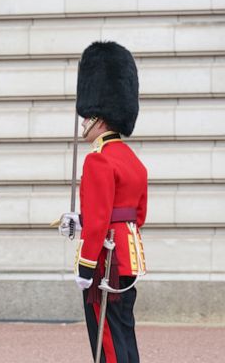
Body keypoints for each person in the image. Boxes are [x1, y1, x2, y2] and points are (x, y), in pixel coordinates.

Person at [59, 41, 147, 362]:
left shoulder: (98, 160)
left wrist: (85, 265)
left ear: (99, 119)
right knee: (124, 331)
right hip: (129, 257)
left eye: (86, 118)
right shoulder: (133, 160)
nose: (83, 124)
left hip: (104, 263)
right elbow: (135, 214)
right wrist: (79, 219)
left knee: (105, 338)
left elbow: (98, 223)